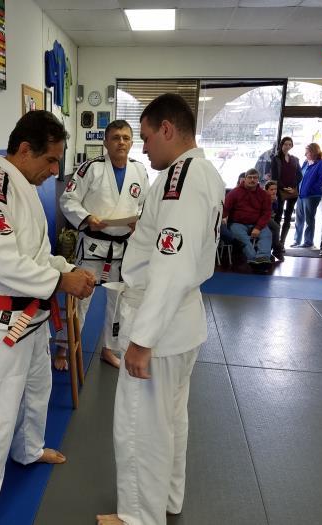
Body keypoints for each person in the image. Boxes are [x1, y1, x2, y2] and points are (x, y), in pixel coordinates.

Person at [0, 111, 96, 525]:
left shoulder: (25, 187)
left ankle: (28, 450)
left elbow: (35, 255)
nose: (54, 171)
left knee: (37, 390)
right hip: (2, 321)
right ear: (25, 149)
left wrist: (66, 268)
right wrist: (61, 281)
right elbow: (2, 263)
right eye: (50, 160)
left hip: (32, 316)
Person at [96, 94, 224, 525]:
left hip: (161, 328)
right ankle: (167, 499)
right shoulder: (202, 173)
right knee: (170, 419)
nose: (143, 147)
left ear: (167, 129)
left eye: (147, 137)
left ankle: (138, 517)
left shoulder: (181, 180)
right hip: (181, 324)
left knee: (140, 427)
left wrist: (142, 340)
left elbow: (171, 266)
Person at [59, 120, 149, 369]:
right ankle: (64, 347)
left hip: (123, 247)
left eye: (126, 138)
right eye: (116, 137)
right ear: (106, 142)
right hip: (93, 245)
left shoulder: (139, 170)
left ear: (132, 142)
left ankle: (109, 349)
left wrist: (139, 222)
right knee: (80, 297)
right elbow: (68, 199)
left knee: (119, 302)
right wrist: (87, 218)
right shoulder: (91, 168)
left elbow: (145, 204)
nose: (121, 142)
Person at [223, 168, 273, 272]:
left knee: (267, 234)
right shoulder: (234, 193)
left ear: (258, 179)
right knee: (241, 237)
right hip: (237, 223)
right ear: (245, 179)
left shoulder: (264, 195)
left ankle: (263, 258)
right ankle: (254, 260)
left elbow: (267, 213)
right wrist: (222, 219)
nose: (252, 180)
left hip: (257, 223)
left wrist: (258, 227)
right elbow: (225, 209)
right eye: (250, 177)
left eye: (255, 178)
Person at [270, 136, 303, 253]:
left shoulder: (295, 159)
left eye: (290, 144)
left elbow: (300, 175)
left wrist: (293, 187)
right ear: (281, 145)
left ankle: (282, 243)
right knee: (278, 216)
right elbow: (274, 177)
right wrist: (283, 187)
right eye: (285, 144)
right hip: (280, 190)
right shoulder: (276, 159)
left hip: (292, 191)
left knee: (288, 217)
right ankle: (275, 243)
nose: (287, 146)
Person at [292, 143, 322, 248]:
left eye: (307, 152)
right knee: (299, 219)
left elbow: (321, 179)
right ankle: (296, 240)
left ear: (314, 152)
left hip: (312, 196)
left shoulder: (321, 163)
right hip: (301, 195)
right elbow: (300, 177)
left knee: (309, 219)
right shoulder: (306, 162)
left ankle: (308, 242)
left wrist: (311, 190)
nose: (305, 154)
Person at [264, 180, 283, 261]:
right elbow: (265, 212)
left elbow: (276, 211)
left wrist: (274, 201)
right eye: (271, 189)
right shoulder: (264, 197)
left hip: (270, 218)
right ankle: (277, 250)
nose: (274, 191)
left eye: (275, 189)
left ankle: (270, 252)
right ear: (266, 190)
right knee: (277, 227)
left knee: (272, 231)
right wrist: (270, 201)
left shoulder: (275, 198)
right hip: (263, 217)